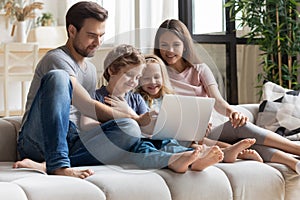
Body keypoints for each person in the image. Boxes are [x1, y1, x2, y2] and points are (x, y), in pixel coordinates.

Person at [12, 1, 150, 179]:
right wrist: (134, 117)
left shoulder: (91, 70)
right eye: (92, 35)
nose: (98, 42)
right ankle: (58, 165)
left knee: (130, 129)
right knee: (59, 77)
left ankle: (47, 165)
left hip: (73, 140)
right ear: (72, 31)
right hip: (38, 139)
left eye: (101, 35)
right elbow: (86, 105)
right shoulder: (56, 58)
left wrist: (132, 123)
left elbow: (86, 118)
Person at [153, 18, 300, 174]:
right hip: (185, 136)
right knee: (245, 143)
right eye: (164, 45)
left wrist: (233, 113)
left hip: (211, 129)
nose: (169, 50)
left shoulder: (199, 69)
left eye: (175, 45)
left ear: (185, 46)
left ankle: (295, 151)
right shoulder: (157, 73)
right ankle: (290, 162)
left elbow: (218, 101)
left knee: (240, 126)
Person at [89, 44, 224, 173]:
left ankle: (194, 158)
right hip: (121, 146)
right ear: (112, 70)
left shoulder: (135, 99)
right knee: (142, 148)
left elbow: (148, 128)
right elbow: (86, 125)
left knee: (164, 140)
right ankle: (174, 161)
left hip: (144, 140)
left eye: (137, 77)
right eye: (129, 75)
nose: (133, 82)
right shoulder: (96, 96)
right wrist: (120, 121)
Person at [136, 54, 263, 164]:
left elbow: (181, 121)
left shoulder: (170, 98)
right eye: (146, 78)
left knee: (201, 140)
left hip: (180, 137)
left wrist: (198, 128)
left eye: (156, 77)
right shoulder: (139, 100)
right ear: (139, 80)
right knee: (192, 144)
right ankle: (234, 152)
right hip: (160, 140)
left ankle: (235, 151)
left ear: (163, 78)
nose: (152, 82)